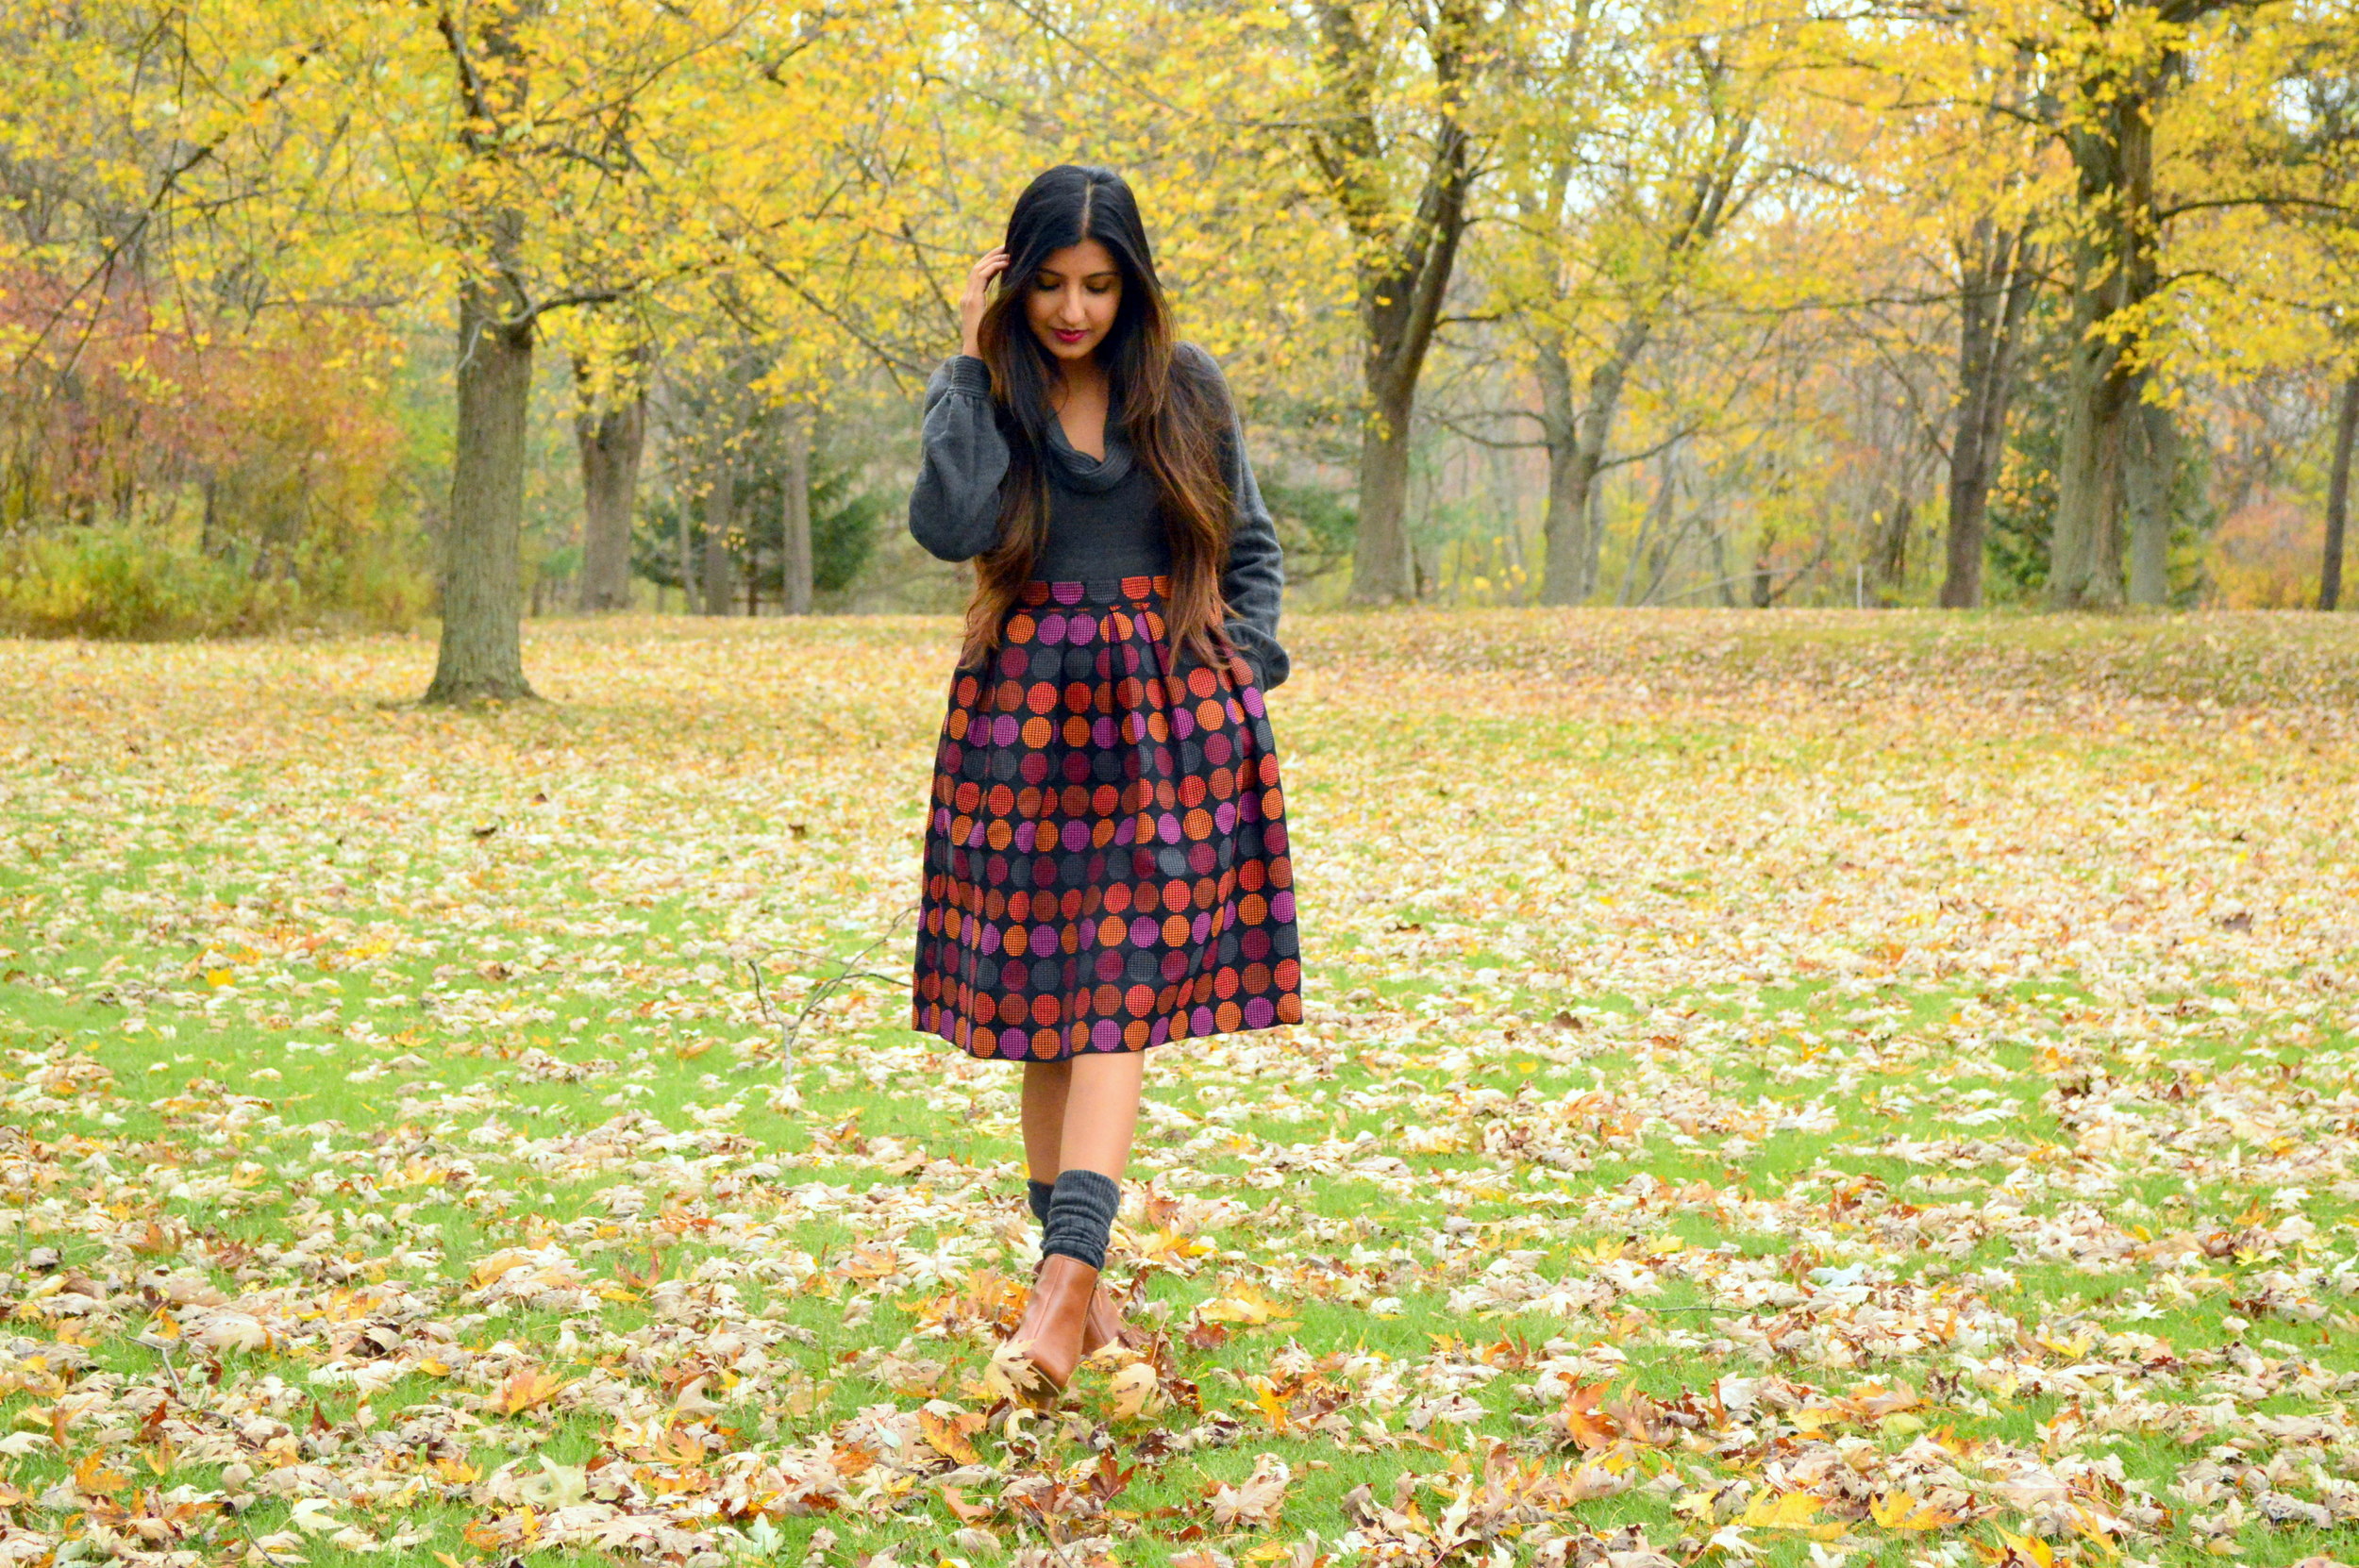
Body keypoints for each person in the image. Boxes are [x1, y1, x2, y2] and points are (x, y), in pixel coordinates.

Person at [906, 164, 1302, 1400]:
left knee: (1115, 1000)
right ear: (1012, 284)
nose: (1073, 310)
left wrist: (1243, 668)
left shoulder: (1186, 388)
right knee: (1050, 1013)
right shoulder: (995, 390)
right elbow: (951, 526)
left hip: (1164, 730)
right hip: (1024, 730)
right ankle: (1084, 1304)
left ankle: (1064, 1288)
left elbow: (1248, 543)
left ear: (1132, 285)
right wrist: (969, 366)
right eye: (1048, 286)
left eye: (1097, 285)